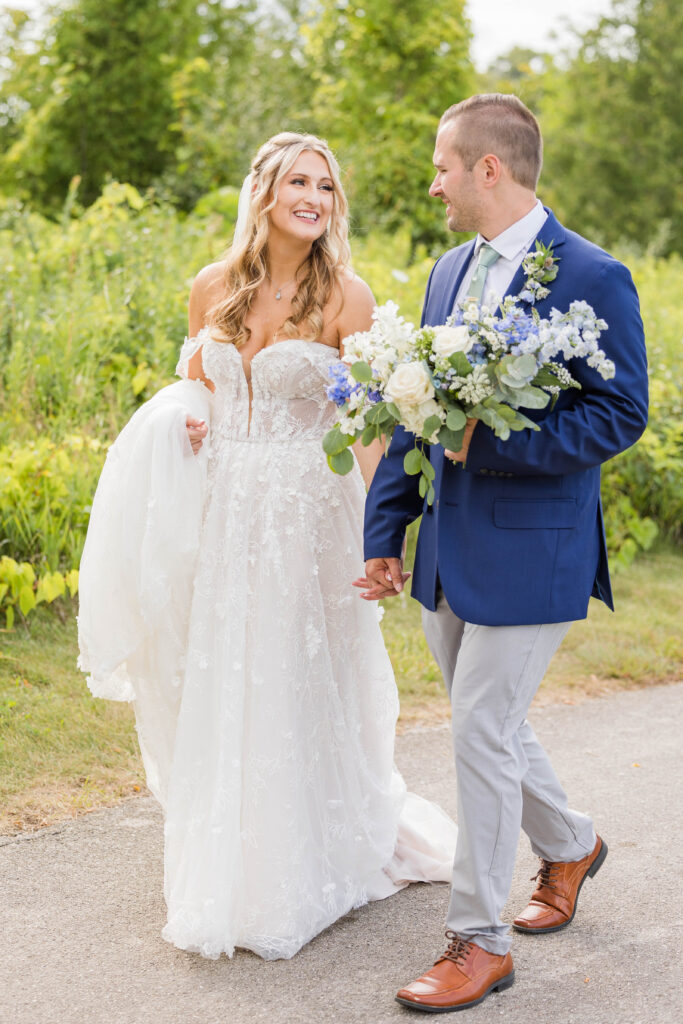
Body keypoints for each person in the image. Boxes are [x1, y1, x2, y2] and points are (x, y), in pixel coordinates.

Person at [77, 131, 456, 962]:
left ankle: (313, 855)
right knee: (228, 674)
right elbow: (200, 390)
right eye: (298, 181)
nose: (314, 197)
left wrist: (379, 535)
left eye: (325, 184)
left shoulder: (345, 298)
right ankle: (234, 861)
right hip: (225, 510)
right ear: (263, 192)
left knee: (302, 676)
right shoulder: (211, 287)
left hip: (308, 511)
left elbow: (363, 430)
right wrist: (187, 421)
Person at [360, 95, 648, 1012]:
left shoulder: (594, 276)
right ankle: (569, 842)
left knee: (480, 730)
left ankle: (476, 942)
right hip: (448, 548)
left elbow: (619, 412)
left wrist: (498, 447)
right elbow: (419, 413)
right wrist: (384, 533)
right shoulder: (448, 272)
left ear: (490, 168)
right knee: (493, 724)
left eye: (443, 165)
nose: (433, 181)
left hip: (536, 550)